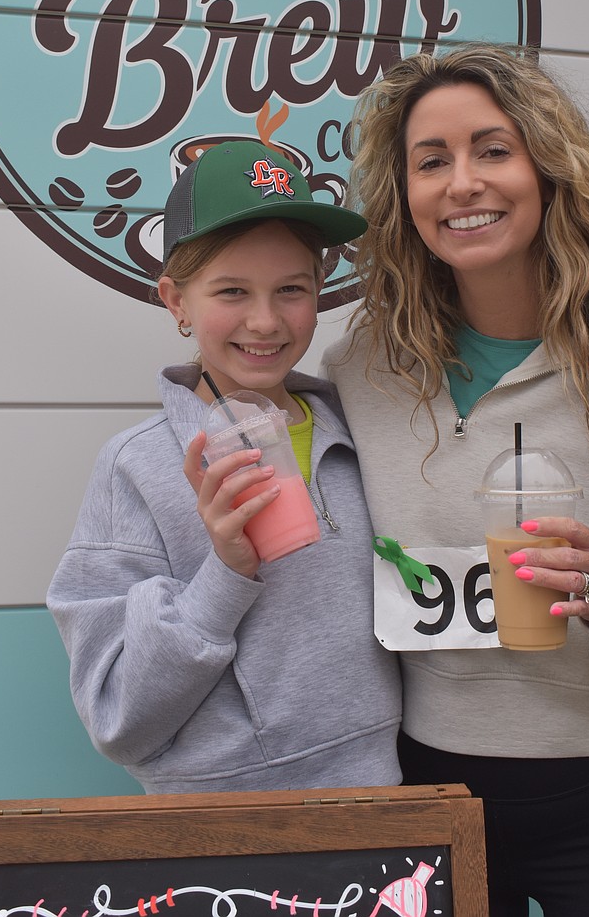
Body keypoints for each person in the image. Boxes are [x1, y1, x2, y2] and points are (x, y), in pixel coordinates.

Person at [322, 44, 589, 916]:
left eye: (493, 149)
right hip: (426, 785)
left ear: (548, 170)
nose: (463, 182)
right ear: (404, 195)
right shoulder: (363, 367)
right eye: (431, 161)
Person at [48, 139, 401, 794]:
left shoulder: (361, 433)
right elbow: (118, 716)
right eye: (232, 290)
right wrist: (226, 571)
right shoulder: (137, 467)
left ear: (319, 290)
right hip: (227, 834)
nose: (264, 321)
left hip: (384, 805)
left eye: (290, 289)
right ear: (176, 301)